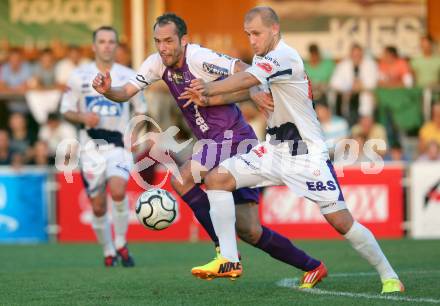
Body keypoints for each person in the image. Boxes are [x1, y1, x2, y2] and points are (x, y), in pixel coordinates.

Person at [92, 13, 327, 287]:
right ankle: (313, 266)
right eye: (158, 41)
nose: (163, 47)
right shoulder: (157, 63)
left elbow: (242, 68)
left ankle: (224, 253)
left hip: (232, 138)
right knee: (249, 230)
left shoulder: (199, 57)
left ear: (184, 39)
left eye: (169, 41)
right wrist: (108, 90)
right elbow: (126, 91)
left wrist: (250, 92)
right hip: (215, 143)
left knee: (182, 178)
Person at [182, 7, 404, 294]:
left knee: (341, 222)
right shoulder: (264, 59)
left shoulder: (284, 55)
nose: (252, 40)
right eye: (248, 34)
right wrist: (211, 99)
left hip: (305, 154)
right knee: (216, 180)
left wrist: (210, 89)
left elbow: (247, 80)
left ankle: (389, 276)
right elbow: (249, 87)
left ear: (275, 29)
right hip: (273, 150)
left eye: (257, 33)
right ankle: (228, 258)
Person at [60, 26, 147, 267]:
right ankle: (108, 250)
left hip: (118, 145)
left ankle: (120, 243)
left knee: (118, 192)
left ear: (117, 46)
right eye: (102, 41)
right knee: (98, 206)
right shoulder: (79, 76)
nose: (107, 45)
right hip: (90, 149)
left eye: (111, 41)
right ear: (94, 46)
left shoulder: (129, 76)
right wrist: (82, 117)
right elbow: (65, 110)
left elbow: (141, 110)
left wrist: (136, 135)